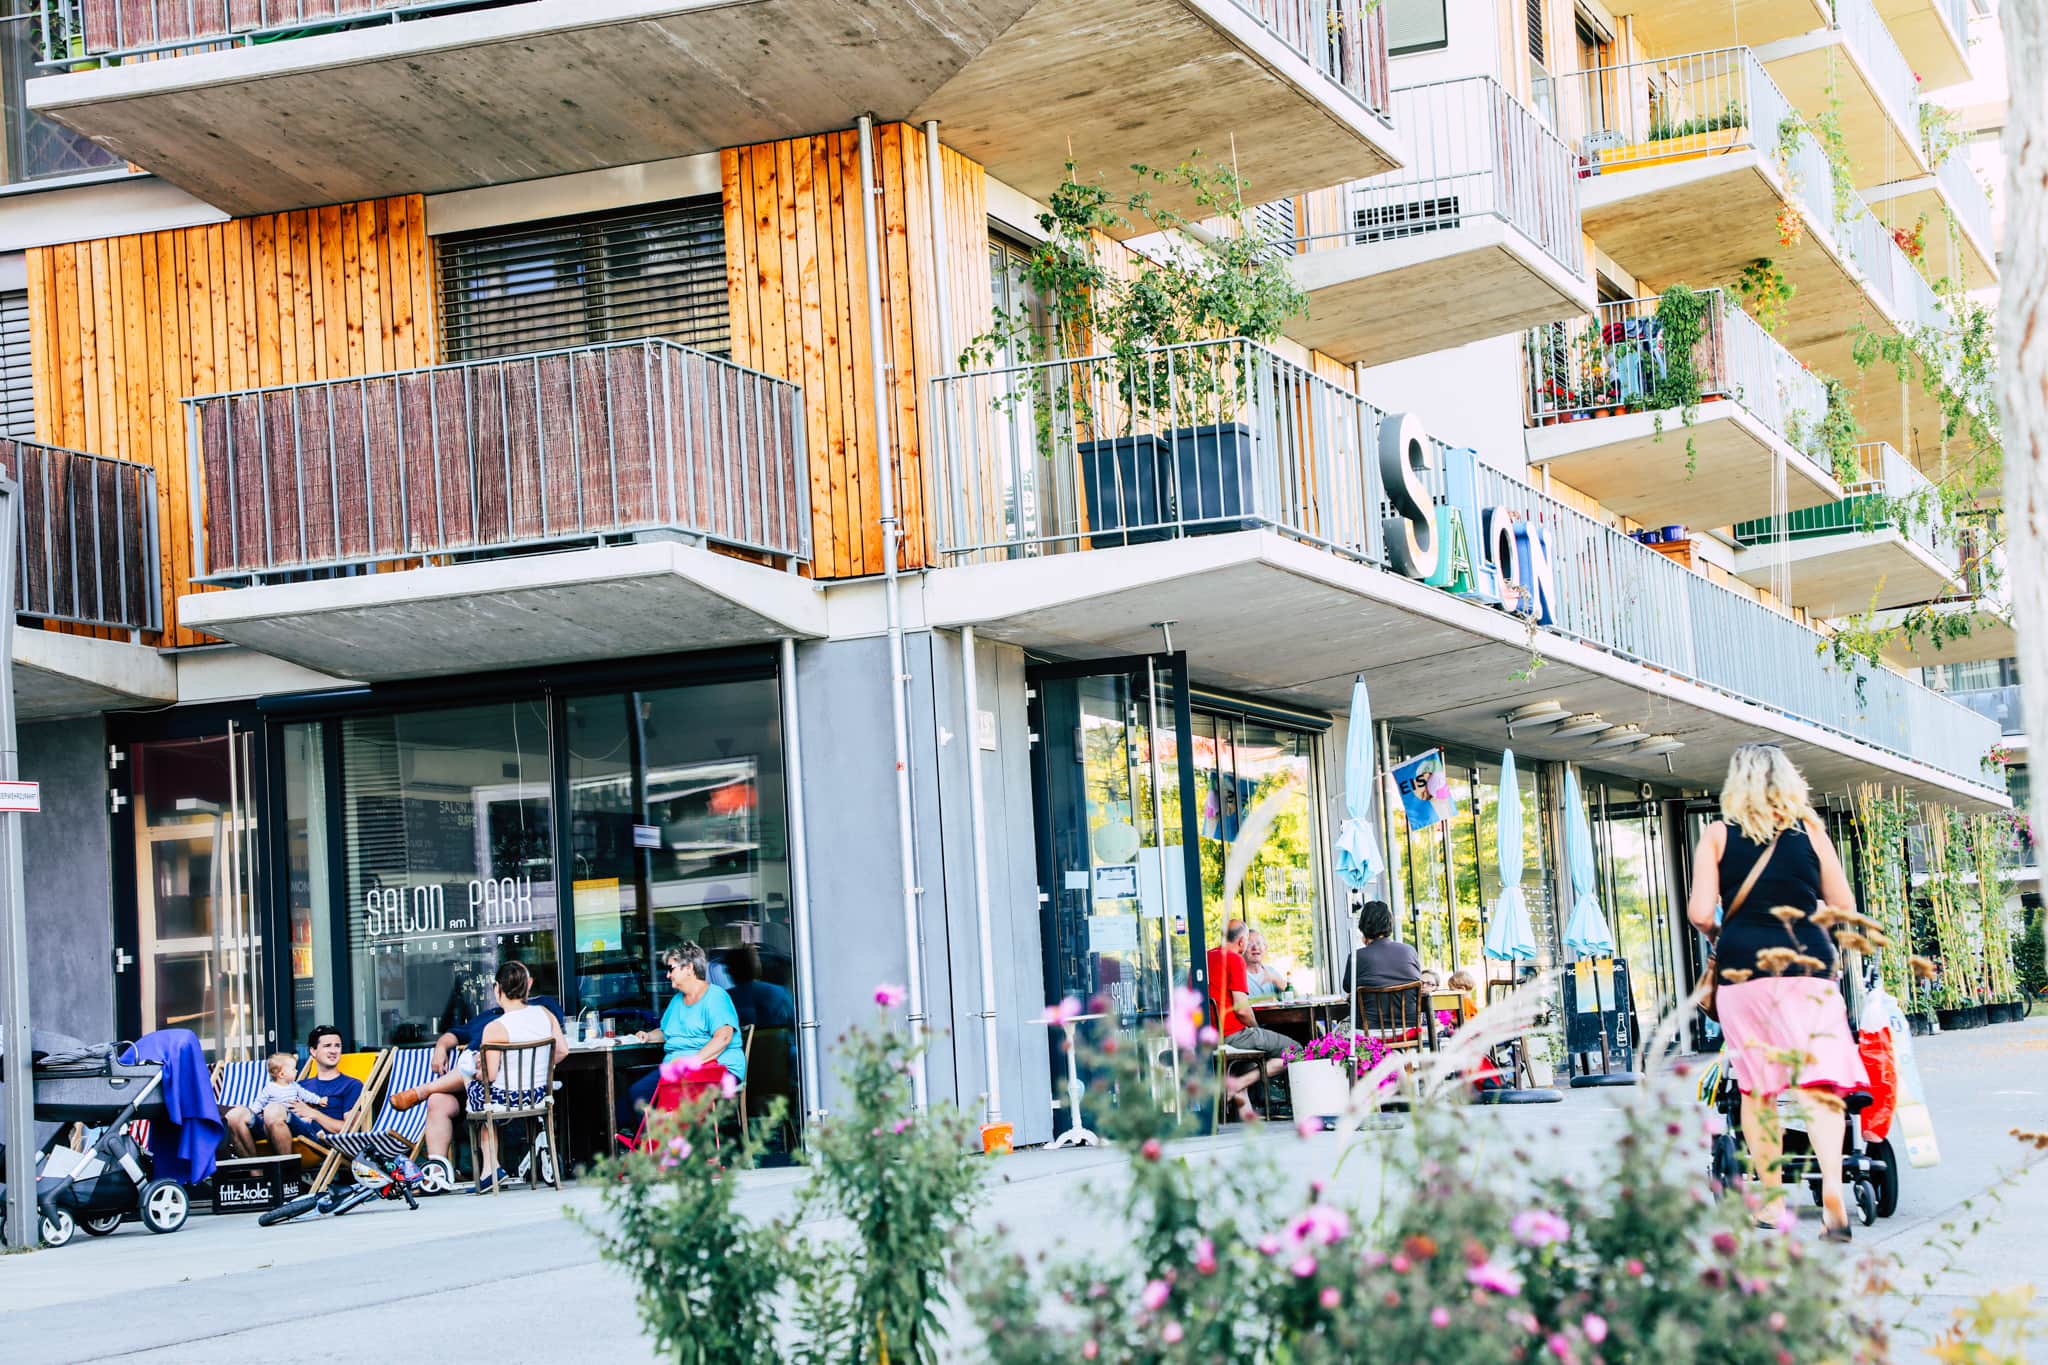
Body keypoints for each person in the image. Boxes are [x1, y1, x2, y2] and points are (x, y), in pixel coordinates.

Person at [1687, 743, 1867, 1243]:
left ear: (1736, 784)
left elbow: (1701, 912)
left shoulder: (1717, 836)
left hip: (1746, 972)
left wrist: (1722, 931)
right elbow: (1843, 903)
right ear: (1789, 781)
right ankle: (1832, 1192)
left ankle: (1770, 1203)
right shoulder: (1812, 832)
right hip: (1809, 966)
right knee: (1818, 1083)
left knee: (1758, 1088)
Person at [387, 981, 566, 1173]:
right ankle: (437, 1174)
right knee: (438, 1101)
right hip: (476, 1084)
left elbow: (557, 1044)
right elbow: (454, 1034)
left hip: (504, 1084)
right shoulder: (489, 1017)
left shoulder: (540, 1009)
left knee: (473, 1068)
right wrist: (440, 1047)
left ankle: (422, 1091)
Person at [463, 960, 569, 1194]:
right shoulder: (545, 1014)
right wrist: (542, 1068)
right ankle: (492, 1170)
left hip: (504, 1100)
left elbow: (489, 1075)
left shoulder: (495, 1027)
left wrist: (474, 1072)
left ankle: (490, 1170)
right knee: (483, 1093)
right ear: (527, 987)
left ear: (497, 989)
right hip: (539, 1095)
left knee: (472, 1085)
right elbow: (563, 1051)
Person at [619, 942, 749, 1132]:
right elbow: (666, 1031)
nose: (667, 975)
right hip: (678, 1071)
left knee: (675, 1098)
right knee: (637, 1093)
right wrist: (647, 1035)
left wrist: (692, 1062)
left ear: (689, 968)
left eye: (671, 969)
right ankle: (654, 1149)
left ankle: (678, 1151)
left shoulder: (715, 997)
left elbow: (723, 1037)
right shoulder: (677, 1000)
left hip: (716, 1068)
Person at [1203, 921, 1295, 1118]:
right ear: (1242, 941)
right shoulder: (1235, 960)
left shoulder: (1204, 957)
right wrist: (1255, 1028)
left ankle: (1246, 1114)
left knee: (1248, 1062)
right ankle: (1237, 1085)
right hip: (1232, 1034)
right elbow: (1243, 1010)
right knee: (1297, 1051)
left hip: (1208, 1035)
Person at [223, 1025, 361, 1158]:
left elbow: (350, 1130)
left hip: (316, 1140)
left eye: (337, 1046)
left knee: (274, 1109)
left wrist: (313, 1113)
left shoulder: (351, 1085)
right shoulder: (298, 1085)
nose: (334, 1050)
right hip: (277, 1131)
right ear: (313, 1051)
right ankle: (255, 1171)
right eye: (327, 1046)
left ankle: (286, 1172)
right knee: (235, 1115)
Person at [1343, 901, 1424, 991]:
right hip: (1407, 1005)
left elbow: (1348, 987)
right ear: (1390, 924)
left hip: (1371, 1005)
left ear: (1363, 926)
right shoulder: (1409, 951)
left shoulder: (1356, 957)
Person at [1242, 930, 1288, 997]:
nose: (1255, 947)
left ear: (1265, 948)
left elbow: (1294, 996)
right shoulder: (1238, 975)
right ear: (1242, 949)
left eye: (1259, 943)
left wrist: (1275, 979)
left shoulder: (1271, 971)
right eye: (1249, 944)